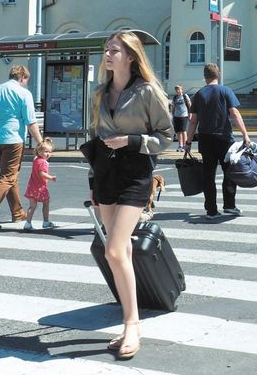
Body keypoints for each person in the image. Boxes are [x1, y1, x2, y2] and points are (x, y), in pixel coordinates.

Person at [89, 30, 172, 360]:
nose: (108, 55)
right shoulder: (99, 94)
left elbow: (166, 136)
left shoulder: (147, 92)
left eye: (114, 50)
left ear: (131, 57)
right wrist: (94, 182)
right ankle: (129, 320)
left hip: (136, 172)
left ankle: (132, 324)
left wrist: (133, 141)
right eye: (106, 50)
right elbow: (94, 137)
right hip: (106, 173)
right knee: (117, 252)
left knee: (113, 249)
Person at [0, 65, 42, 231]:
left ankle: (18, 212)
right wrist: (41, 142)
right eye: (27, 80)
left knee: (9, 176)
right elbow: (30, 122)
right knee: (7, 177)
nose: (26, 83)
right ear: (22, 77)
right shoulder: (23, 93)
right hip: (13, 139)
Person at [184, 63, 250, 219]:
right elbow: (234, 114)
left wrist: (188, 142)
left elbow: (193, 121)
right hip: (224, 139)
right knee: (229, 172)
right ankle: (229, 205)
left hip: (205, 140)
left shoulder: (199, 94)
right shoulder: (225, 91)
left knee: (209, 175)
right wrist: (245, 134)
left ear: (204, 76)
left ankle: (211, 210)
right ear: (218, 75)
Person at [23, 138, 58, 230]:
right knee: (46, 203)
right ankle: (46, 222)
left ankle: (28, 223)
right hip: (40, 188)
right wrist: (51, 177)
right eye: (46, 151)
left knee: (32, 206)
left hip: (32, 186)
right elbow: (42, 174)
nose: (48, 154)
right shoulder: (43, 162)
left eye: (49, 152)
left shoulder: (36, 159)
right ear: (39, 151)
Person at [171, 84, 192, 152]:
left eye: (179, 89)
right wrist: (173, 116)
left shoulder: (185, 96)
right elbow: (173, 107)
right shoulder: (175, 97)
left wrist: (190, 113)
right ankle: (180, 145)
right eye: (176, 90)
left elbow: (189, 105)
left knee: (183, 131)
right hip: (177, 116)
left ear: (181, 90)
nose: (177, 91)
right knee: (178, 131)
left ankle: (185, 145)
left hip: (184, 115)